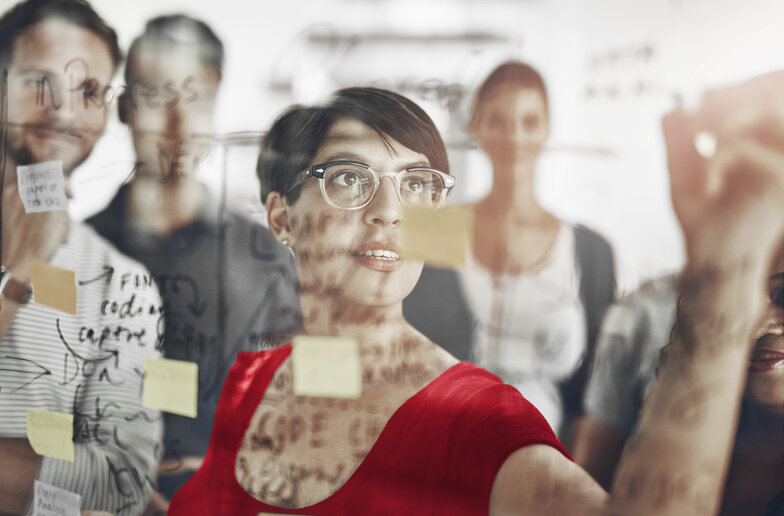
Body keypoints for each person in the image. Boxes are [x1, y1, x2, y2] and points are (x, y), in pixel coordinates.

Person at [170, 76, 784, 515]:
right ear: (281, 218)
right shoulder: (251, 382)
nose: (390, 213)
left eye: (415, 184)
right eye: (350, 179)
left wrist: (724, 280)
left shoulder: (478, 422)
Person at [85, 15, 301, 513]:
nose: (178, 124)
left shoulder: (267, 259)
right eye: (157, 97)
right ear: (123, 108)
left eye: (197, 98)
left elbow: (302, 416)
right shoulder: (74, 254)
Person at [0, 0, 162, 515]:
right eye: (38, 81)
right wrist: (18, 274)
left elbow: (122, 483)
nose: (63, 111)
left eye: (88, 91)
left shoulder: (122, 284)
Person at [460, 61, 616, 436]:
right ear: (475, 127)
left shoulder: (589, 251)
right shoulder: (437, 229)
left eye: (529, 121)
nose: (514, 136)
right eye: (497, 120)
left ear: (547, 128)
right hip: (442, 458)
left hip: (548, 462)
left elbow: (603, 391)